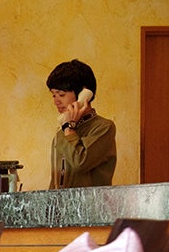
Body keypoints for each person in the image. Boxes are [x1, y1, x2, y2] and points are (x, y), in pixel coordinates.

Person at [47, 59, 117, 188]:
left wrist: (69, 129)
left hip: (91, 201)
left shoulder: (104, 127)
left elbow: (80, 162)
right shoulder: (61, 133)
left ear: (84, 94)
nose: (56, 101)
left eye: (61, 94)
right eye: (53, 95)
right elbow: (55, 183)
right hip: (60, 201)